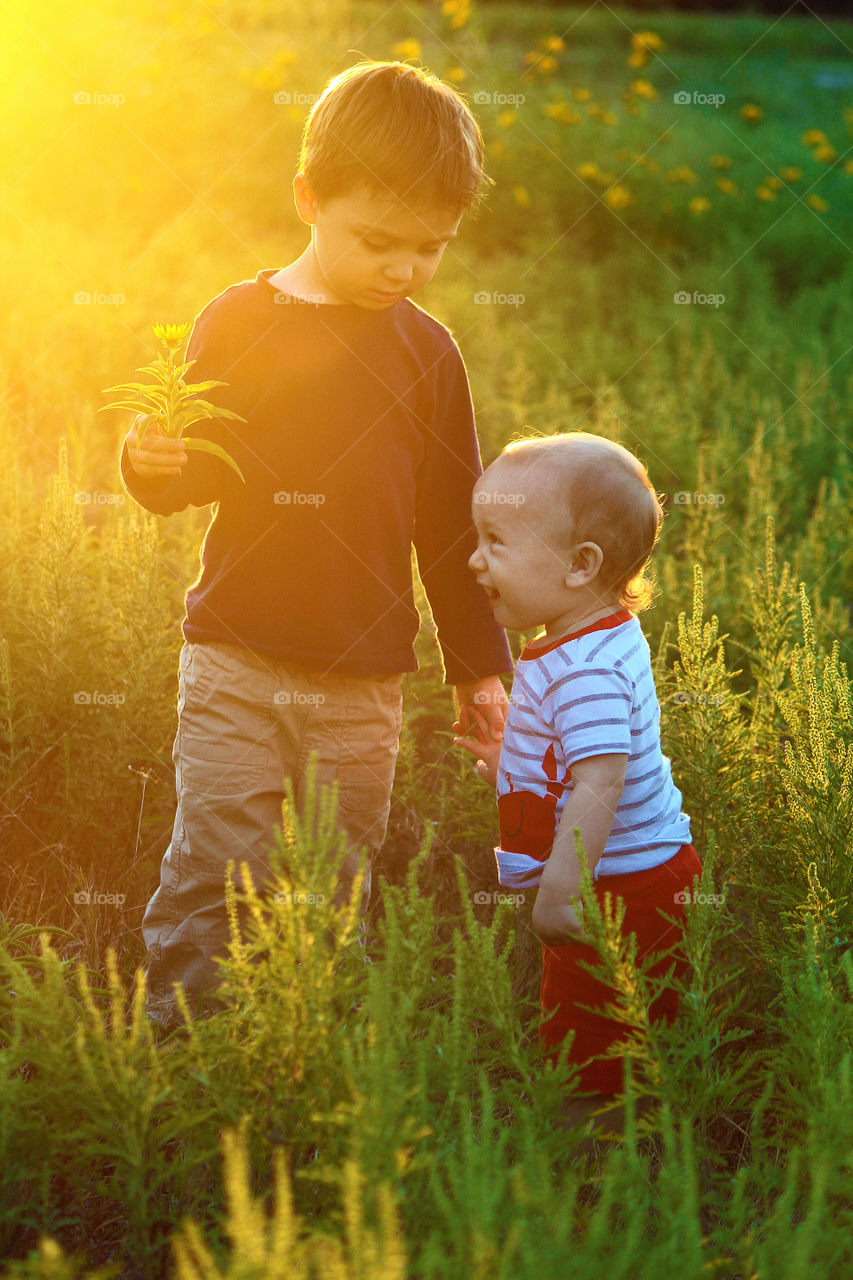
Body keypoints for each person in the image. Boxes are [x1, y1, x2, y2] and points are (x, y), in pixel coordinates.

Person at [119, 60, 512, 1032]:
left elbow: (450, 525)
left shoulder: (428, 355)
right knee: (214, 864)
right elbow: (189, 475)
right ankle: (183, 1058)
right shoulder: (240, 322)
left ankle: (300, 1062)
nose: (403, 268)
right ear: (307, 198)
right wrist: (149, 460)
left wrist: (478, 669)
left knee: (331, 886)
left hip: (362, 685)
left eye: (430, 248)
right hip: (234, 664)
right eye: (378, 241)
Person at [453, 431, 702, 1154]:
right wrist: (513, 756)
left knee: (589, 1046)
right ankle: (639, 1136)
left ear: (579, 565)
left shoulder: (581, 668)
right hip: (636, 874)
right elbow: (579, 756)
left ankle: (590, 1173)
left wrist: (564, 889)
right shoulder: (588, 635)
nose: (474, 560)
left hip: (619, 886)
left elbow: (601, 776)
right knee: (629, 1022)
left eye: (495, 541)